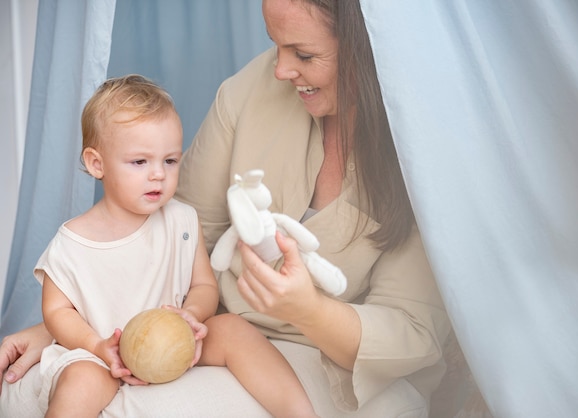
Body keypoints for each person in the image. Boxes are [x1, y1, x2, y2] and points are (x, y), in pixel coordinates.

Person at [0, 1, 451, 417]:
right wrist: (76, 331)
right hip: (206, 328)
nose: (280, 70)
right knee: (22, 391)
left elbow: (414, 333)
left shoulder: (427, 149)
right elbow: (173, 242)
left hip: (330, 356)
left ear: (368, 48)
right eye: (275, 45)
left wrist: (307, 309)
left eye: (304, 54)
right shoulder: (250, 90)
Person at [32, 74, 317, 418]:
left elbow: (203, 285)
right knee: (80, 381)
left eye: (170, 160)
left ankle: (301, 413)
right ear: (97, 164)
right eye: (140, 162)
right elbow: (57, 312)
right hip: (103, 353)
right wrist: (96, 345)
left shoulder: (181, 220)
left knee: (234, 330)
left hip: (175, 343)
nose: (158, 174)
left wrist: (191, 316)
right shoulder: (72, 242)